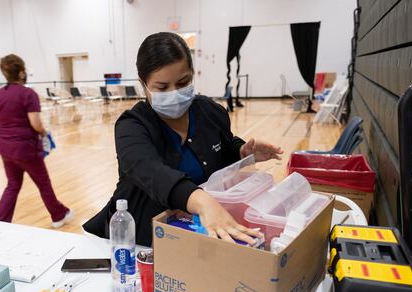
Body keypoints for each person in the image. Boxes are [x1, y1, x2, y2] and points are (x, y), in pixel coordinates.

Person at [83, 32, 283, 246]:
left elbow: (220, 149)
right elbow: (153, 173)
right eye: (162, 87)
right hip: (142, 239)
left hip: (192, 231)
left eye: (183, 82)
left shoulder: (209, 111)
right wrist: (203, 202)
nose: (175, 93)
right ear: (144, 84)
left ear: (192, 74)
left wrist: (243, 152)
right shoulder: (132, 127)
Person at [0, 54, 73, 228]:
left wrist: (3, 129)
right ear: (22, 72)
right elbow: (35, 123)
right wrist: (44, 133)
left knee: (12, 185)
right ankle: (58, 215)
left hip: (6, 149)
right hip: (26, 148)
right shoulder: (28, 94)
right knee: (43, 184)